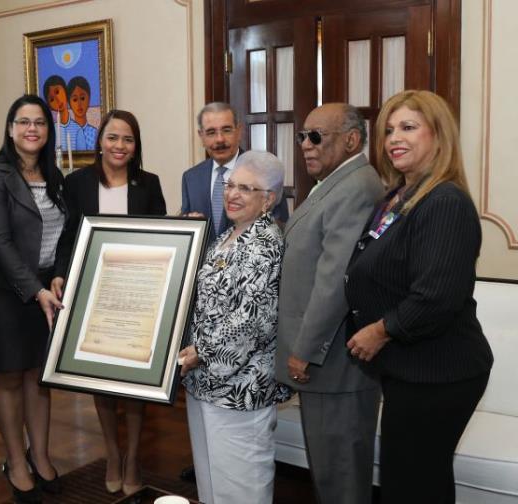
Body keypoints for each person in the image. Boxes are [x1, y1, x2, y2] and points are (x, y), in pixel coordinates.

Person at [344, 90, 493, 504]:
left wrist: (379, 330)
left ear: (438, 136)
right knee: (416, 480)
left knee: (412, 485)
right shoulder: (398, 196)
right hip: (410, 367)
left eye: (408, 127)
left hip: (440, 372)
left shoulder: (445, 201)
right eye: (389, 129)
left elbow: (436, 297)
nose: (394, 138)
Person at [53, 109, 167, 496]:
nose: (120, 146)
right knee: (102, 383)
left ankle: (133, 456)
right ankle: (113, 453)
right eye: (113, 137)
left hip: (138, 294)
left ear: (136, 146)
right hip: (93, 293)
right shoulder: (77, 183)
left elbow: (162, 237)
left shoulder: (148, 183)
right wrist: (59, 273)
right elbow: (67, 236)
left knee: (134, 382)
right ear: (100, 141)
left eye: (128, 139)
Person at [275, 103, 384, 504]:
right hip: (329, 368)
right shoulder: (335, 182)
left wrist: (305, 350)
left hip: (335, 365)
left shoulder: (356, 187)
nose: (305, 144)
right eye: (302, 136)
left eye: (316, 136)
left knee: (340, 479)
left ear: (352, 140)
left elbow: (334, 280)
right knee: (329, 474)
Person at [177, 151, 292, 504]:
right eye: (230, 185)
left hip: (239, 389)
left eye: (246, 188)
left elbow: (251, 321)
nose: (233, 194)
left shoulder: (264, 242)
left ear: (268, 199)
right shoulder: (229, 233)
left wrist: (202, 353)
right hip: (205, 383)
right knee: (213, 482)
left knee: (241, 487)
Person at [0, 95, 67, 503]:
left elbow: (67, 234)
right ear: (10, 128)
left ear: (48, 131)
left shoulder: (56, 175)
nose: (33, 129)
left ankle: (40, 456)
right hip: (9, 293)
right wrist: (35, 289)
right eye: (24, 122)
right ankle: (15, 461)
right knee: (11, 376)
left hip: (48, 288)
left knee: (39, 376)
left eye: (40, 123)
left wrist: (59, 275)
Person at [181, 102, 288, 244]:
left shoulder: (262, 172)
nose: (220, 139)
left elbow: (279, 227)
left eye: (226, 130)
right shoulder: (191, 178)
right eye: (211, 132)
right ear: (201, 136)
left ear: (239, 131)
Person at [67, 76, 98, 150]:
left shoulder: (95, 133)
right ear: (69, 103)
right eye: (75, 99)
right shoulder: (68, 133)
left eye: (82, 98)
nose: (79, 104)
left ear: (89, 99)